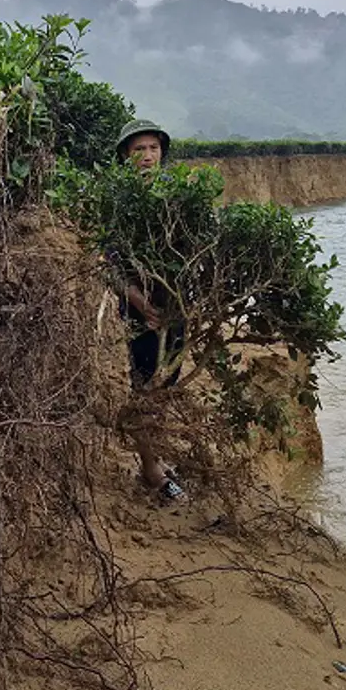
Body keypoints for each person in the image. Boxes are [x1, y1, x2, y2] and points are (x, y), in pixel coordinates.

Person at [110, 119, 187, 501]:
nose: (147, 156)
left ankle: (156, 456)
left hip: (174, 313)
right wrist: (141, 303)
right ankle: (152, 472)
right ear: (126, 156)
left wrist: (178, 304)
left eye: (153, 149)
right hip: (139, 317)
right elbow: (111, 266)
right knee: (144, 387)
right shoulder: (118, 204)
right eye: (138, 150)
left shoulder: (177, 197)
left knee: (167, 385)